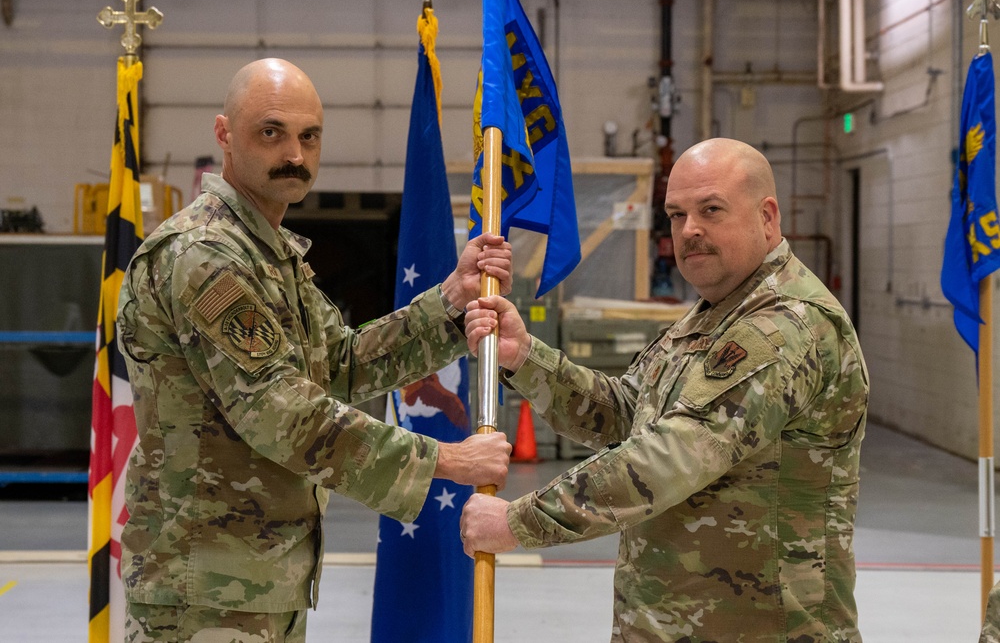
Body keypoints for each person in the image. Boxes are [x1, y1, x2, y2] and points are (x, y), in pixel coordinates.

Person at [116, 57, 513, 642]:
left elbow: (345, 366)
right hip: (203, 592)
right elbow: (283, 413)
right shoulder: (206, 256)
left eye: (309, 136)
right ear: (224, 134)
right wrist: (445, 461)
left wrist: (452, 298)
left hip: (256, 579)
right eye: (271, 133)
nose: (294, 155)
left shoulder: (271, 256)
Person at [461, 137, 869, 641]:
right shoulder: (714, 315)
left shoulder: (785, 326)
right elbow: (626, 413)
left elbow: (672, 454)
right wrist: (525, 358)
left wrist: (522, 520)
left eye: (711, 210)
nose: (690, 230)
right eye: (676, 215)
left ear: (768, 218)